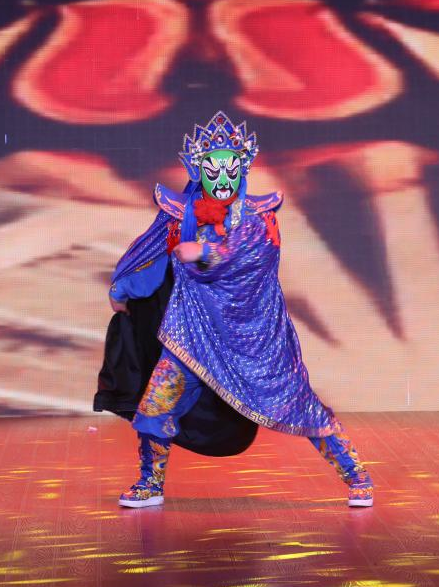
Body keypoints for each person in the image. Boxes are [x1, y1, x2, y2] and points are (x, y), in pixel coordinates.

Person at [106, 111, 373, 508]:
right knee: (154, 406)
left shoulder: (258, 219)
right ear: (198, 170)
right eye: (213, 170)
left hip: (253, 339)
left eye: (231, 169)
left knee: (300, 406)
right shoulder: (180, 215)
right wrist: (123, 288)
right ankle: (150, 484)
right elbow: (154, 257)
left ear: (242, 170)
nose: (223, 179)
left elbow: (251, 258)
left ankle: (357, 475)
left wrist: (205, 252)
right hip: (191, 333)